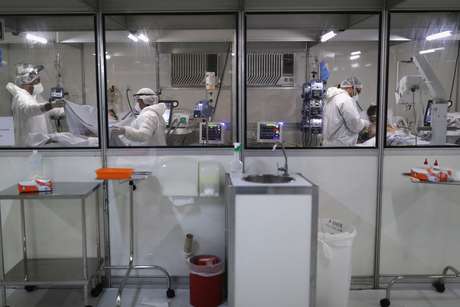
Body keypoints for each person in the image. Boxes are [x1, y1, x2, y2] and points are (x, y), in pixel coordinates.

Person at [5, 64, 65, 146]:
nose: (39, 84)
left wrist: (64, 110)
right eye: (36, 81)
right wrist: (51, 105)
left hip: (38, 144)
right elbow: (29, 109)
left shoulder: (32, 97)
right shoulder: (20, 97)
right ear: (27, 82)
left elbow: (45, 110)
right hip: (28, 149)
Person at [323, 76, 370, 146]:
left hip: (329, 143)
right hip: (341, 145)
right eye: (357, 91)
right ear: (350, 87)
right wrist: (365, 123)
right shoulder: (345, 99)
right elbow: (355, 124)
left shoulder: (332, 98)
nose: (357, 95)